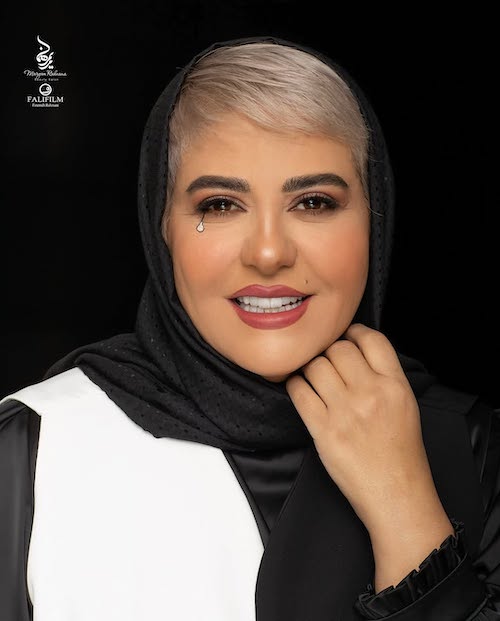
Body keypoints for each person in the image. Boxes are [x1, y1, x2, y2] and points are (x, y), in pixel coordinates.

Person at [0, 35, 498, 620]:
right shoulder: (37, 447)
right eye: (219, 205)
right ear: (161, 225)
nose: (267, 253)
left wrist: (405, 509)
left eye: (313, 202)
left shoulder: (471, 445)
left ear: (375, 220)